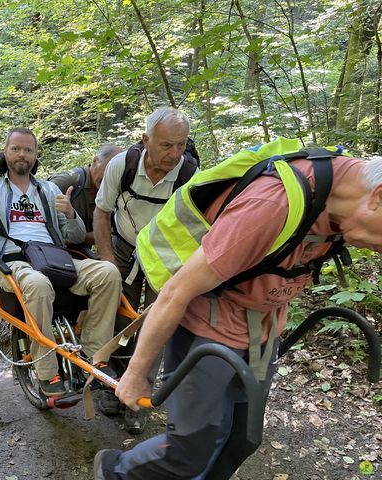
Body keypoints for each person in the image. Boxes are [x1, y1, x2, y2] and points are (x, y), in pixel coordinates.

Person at [94, 146, 382, 479]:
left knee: (241, 441)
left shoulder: (342, 201)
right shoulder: (270, 206)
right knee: (190, 449)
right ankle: (115, 471)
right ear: (378, 196)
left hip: (263, 330)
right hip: (207, 330)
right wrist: (135, 374)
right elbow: (176, 293)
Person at [0, 127, 122, 397]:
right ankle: (47, 373)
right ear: (5, 153)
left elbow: (74, 237)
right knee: (38, 284)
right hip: (14, 262)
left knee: (108, 272)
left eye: (28, 149)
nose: (22, 154)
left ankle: (93, 356)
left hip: (54, 257)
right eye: (16, 148)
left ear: (35, 155)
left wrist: (71, 213)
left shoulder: (49, 189)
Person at [93, 107, 197, 433]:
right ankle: (113, 384)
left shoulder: (189, 174)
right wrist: (108, 258)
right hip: (124, 246)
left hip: (166, 254)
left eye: (181, 145)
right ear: (145, 140)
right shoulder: (121, 165)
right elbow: (101, 212)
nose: (174, 154)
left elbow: (195, 227)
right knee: (119, 316)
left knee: (157, 322)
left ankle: (138, 399)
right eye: (166, 145)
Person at [48, 144, 124, 245]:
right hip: (53, 247)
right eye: (107, 171)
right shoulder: (71, 180)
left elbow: (107, 235)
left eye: (114, 174)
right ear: (95, 161)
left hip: (81, 253)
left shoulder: (114, 193)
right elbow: (38, 200)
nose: (109, 178)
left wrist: (79, 236)